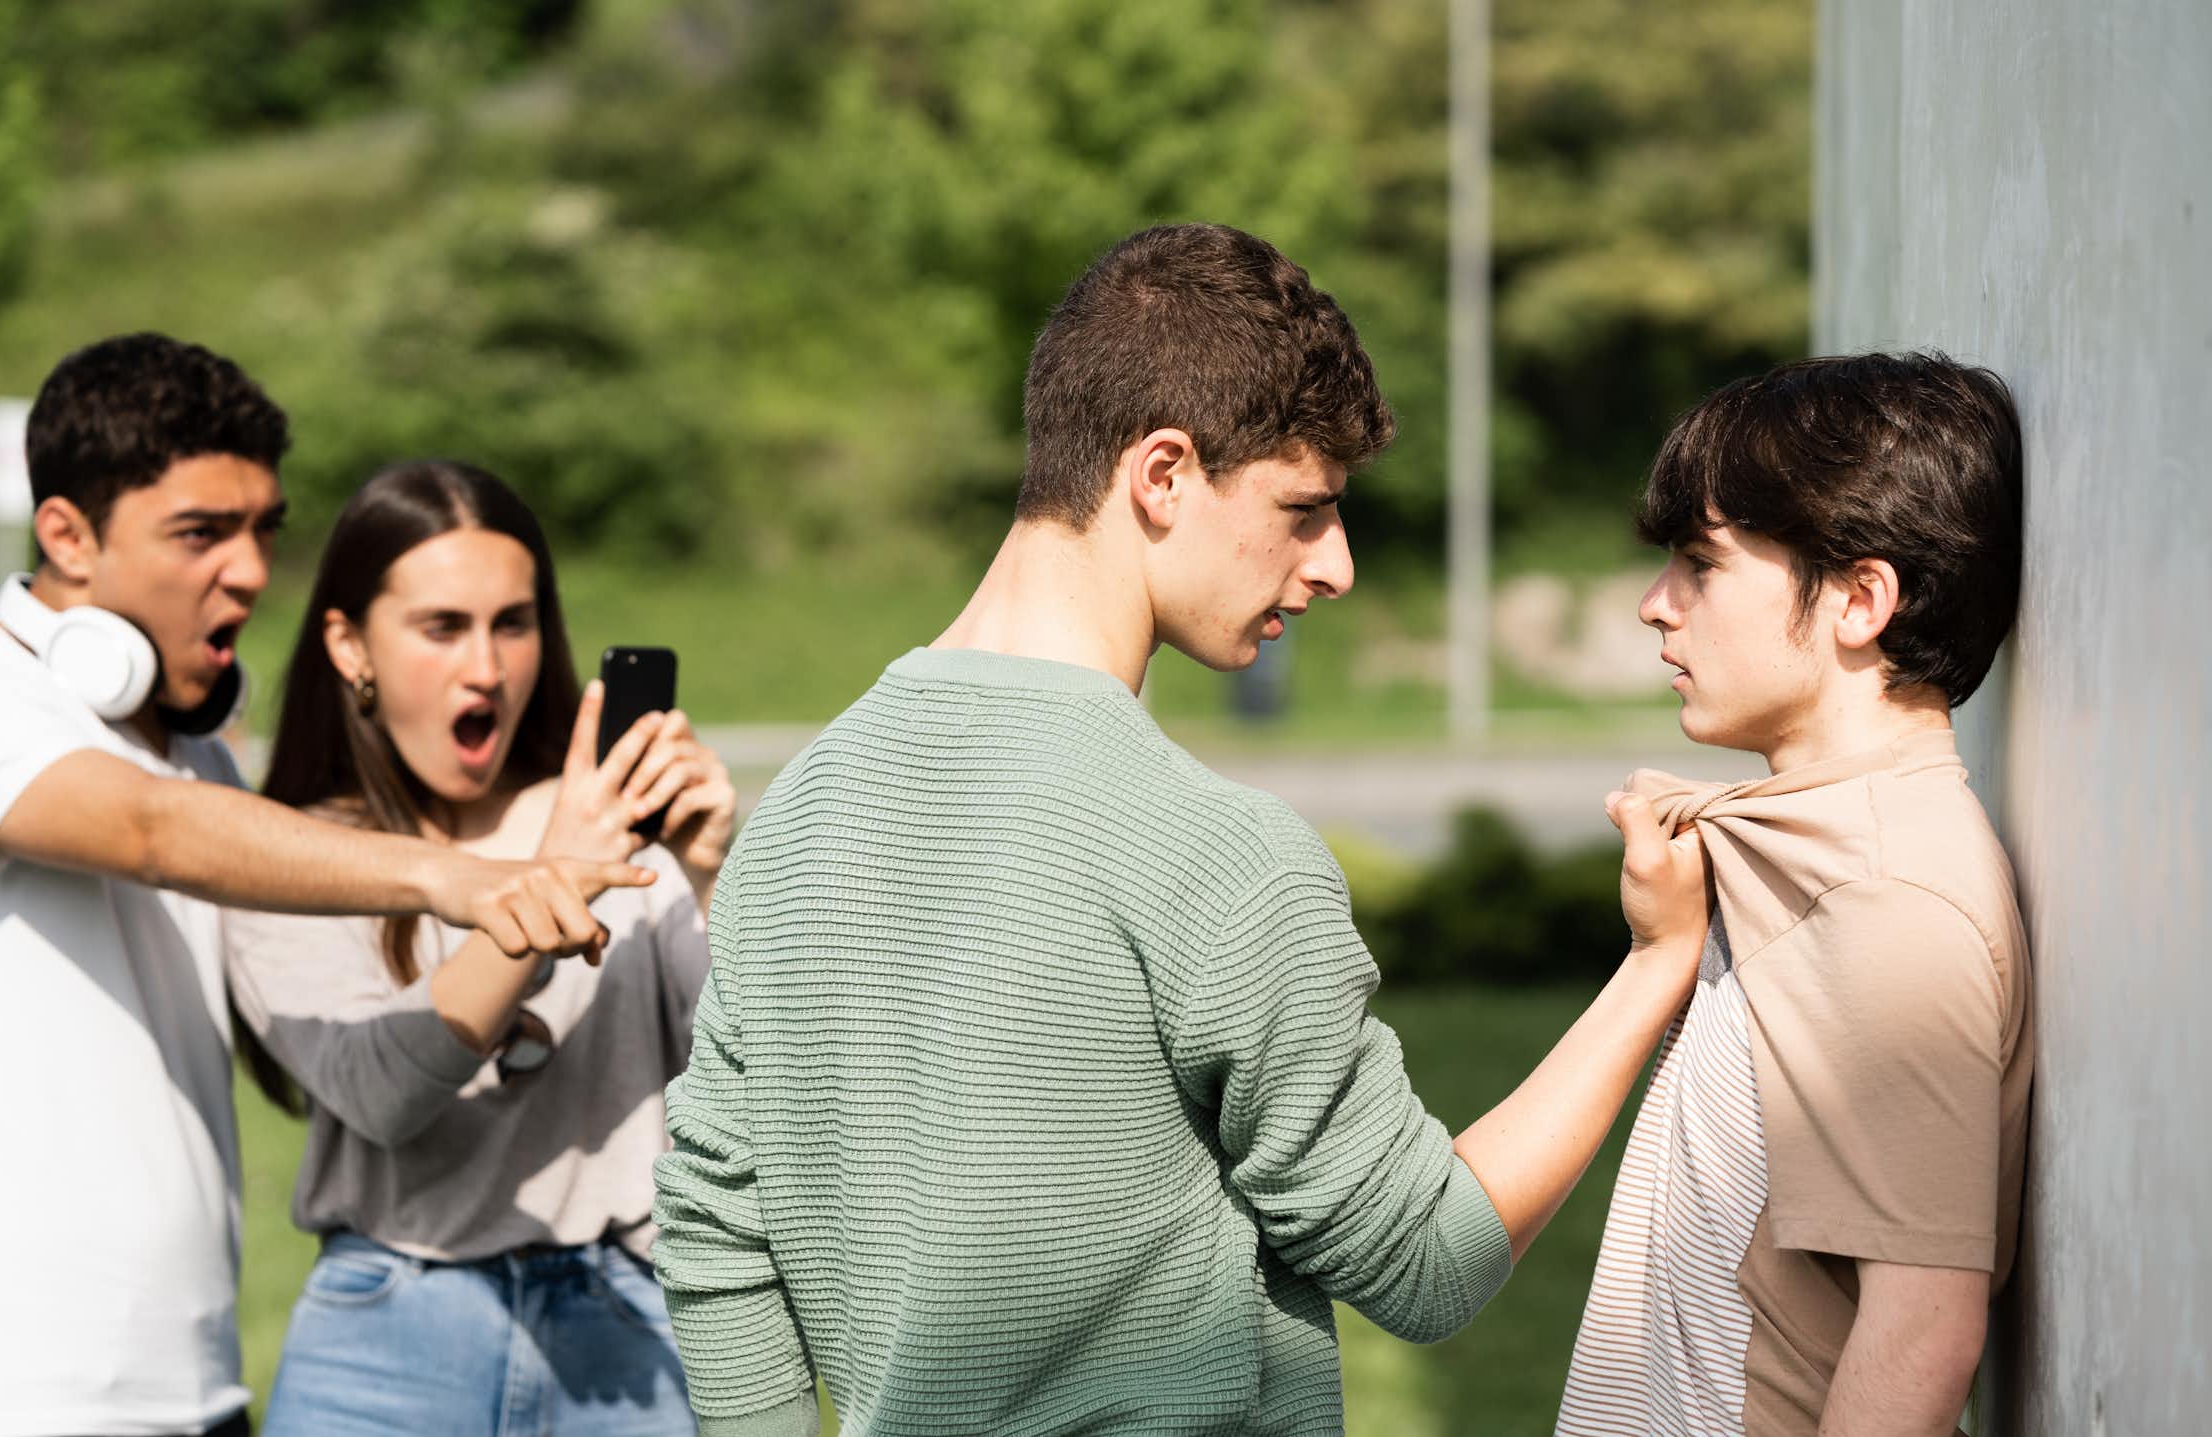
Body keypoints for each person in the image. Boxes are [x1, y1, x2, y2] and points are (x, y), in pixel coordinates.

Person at [651, 222, 1712, 1437]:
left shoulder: (797, 811)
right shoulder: (1219, 857)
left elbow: (713, 1225)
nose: (1338, 566)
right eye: (1303, 508)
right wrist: (1655, 966)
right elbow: (1426, 1260)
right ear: (1161, 475)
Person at [0, 337, 641, 1437]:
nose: (252, 571)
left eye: (264, 528)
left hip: (198, 1399)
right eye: (201, 533)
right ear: (66, 534)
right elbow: (149, 828)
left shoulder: (199, 759)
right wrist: (456, 878)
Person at [1552, 352, 2032, 1437]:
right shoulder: (1811, 847)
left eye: (1700, 564)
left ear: (1860, 599)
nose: (1652, 605)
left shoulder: (1888, 894)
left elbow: (1922, 1328)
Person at [222, 460, 735, 1437]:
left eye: (513, 623)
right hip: (387, 1335)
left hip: (627, 1329)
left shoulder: (621, 823)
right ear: (348, 644)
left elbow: (749, 1077)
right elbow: (381, 1095)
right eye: (442, 628)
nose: (487, 670)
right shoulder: (295, 857)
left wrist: (712, 877)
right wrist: (543, 891)